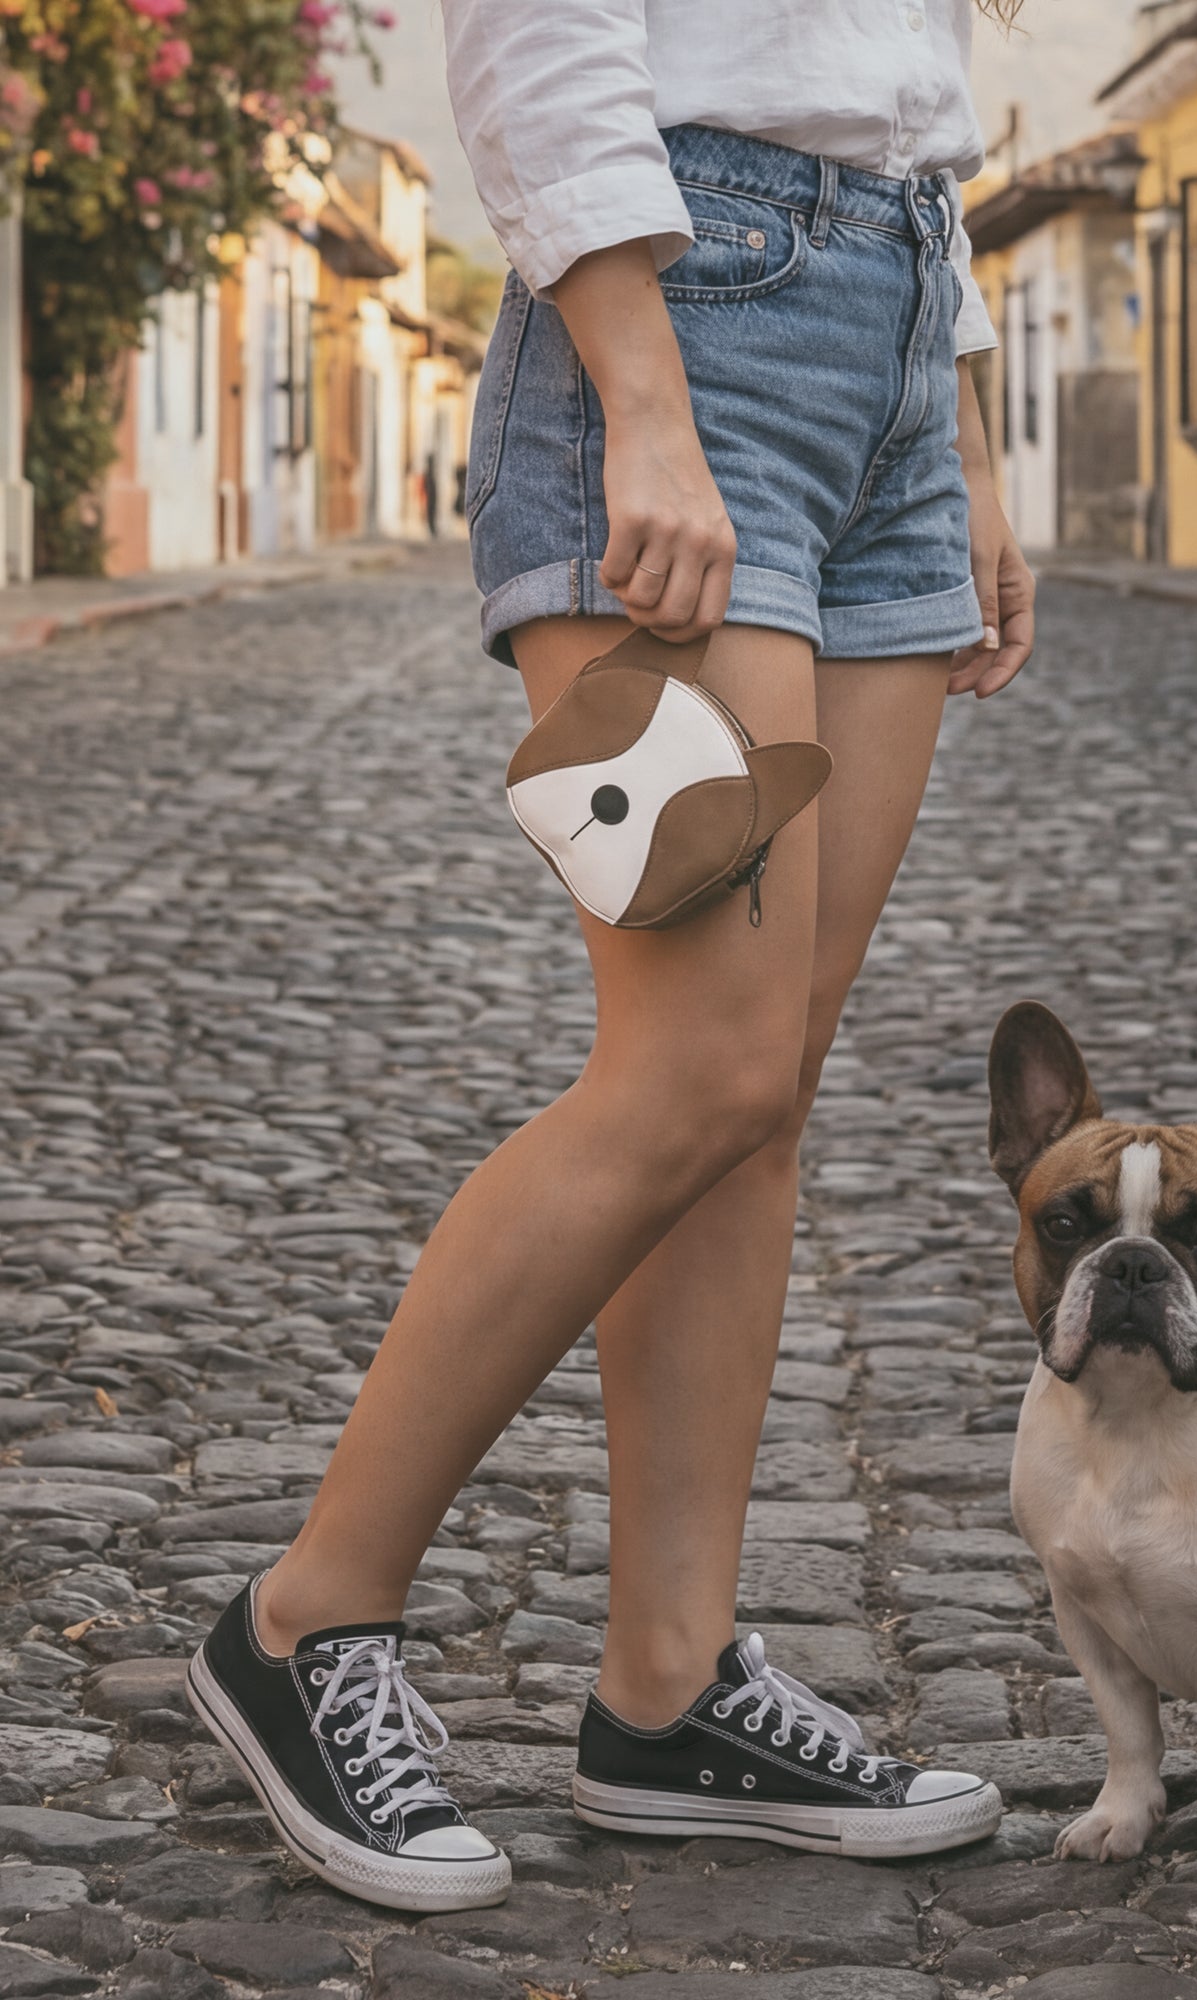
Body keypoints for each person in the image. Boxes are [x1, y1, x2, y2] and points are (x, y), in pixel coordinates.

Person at [186, 0, 1035, 1912]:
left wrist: (963, 416)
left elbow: (893, 68)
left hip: (897, 324)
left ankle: (665, 1689)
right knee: (699, 1063)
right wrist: (642, 397)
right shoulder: (645, 372)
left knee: (765, 1089)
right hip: (680, 331)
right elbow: (541, 28)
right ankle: (305, 1619)